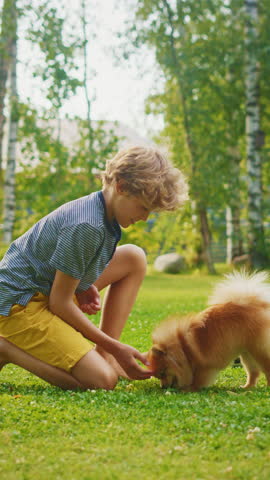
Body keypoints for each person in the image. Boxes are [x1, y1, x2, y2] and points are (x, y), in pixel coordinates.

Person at [0, 146, 188, 390]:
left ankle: (104, 356)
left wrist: (83, 284)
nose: (145, 218)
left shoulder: (104, 212)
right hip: (18, 304)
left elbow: (64, 270)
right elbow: (60, 302)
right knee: (102, 381)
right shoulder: (87, 225)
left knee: (133, 256)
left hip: (45, 290)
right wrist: (116, 346)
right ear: (120, 186)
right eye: (143, 208)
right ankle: (6, 350)